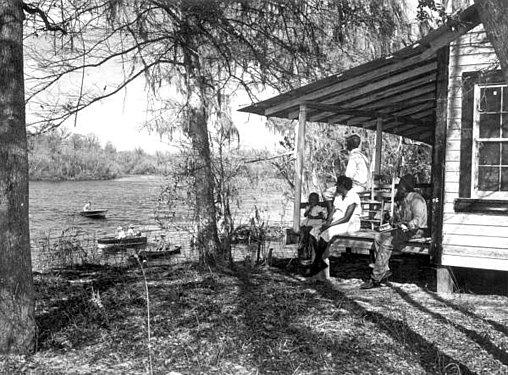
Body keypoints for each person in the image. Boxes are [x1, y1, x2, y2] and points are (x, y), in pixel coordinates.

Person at [361, 173, 427, 289]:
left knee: (387, 243)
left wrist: (406, 225)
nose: (398, 188)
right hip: (403, 230)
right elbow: (398, 219)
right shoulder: (402, 199)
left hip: (416, 231)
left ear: (406, 187)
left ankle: (376, 277)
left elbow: (418, 220)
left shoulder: (417, 199)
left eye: (400, 186)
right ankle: (384, 271)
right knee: (378, 237)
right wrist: (391, 219)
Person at [305, 176, 362, 278]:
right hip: (336, 222)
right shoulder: (338, 197)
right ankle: (319, 262)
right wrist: (327, 222)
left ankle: (316, 263)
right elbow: (332, 212)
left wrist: (329, 226)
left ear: (342, 186)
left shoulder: (353, 197)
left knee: (326, 233)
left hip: (350, 224)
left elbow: (346, 218)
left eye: (338, 186)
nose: (336, 188)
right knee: (313, 232)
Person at [299, 192, 328, 263]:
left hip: (316, 222)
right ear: (309, 200)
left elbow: (321, 216)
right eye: (311, 200)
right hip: (309, 221)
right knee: (304, 229)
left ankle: (308, 249)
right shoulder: (308, 207)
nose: (313, 201)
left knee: (310, 229)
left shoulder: (318, 207)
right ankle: (303, 244)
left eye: (314, 200)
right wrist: (310, 208)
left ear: (317, 201)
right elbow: (305, 215)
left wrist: (314, 217)